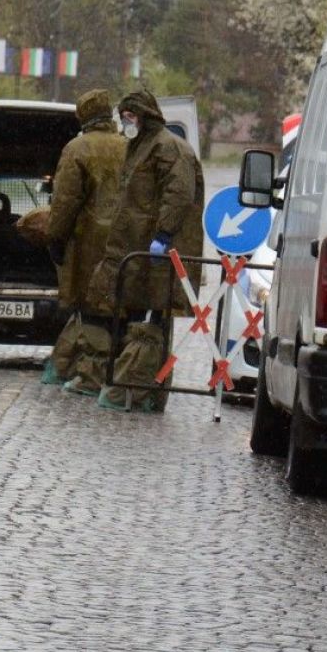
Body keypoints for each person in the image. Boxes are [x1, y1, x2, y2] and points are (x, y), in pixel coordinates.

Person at [87, 87, 205, 413]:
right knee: (141, 317)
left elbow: (178, 193)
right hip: (139, 252)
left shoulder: (168, 148)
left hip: (160, 253)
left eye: (130, 117)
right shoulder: (141, 147)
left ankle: (138, 388)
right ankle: (142, 389)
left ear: (142, 115)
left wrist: (164, 233)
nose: (126, 122)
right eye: (123, 117)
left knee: (154, 320)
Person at [39, 88, 128, 394]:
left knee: (91, 309)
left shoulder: (77, 149)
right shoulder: (130, 147)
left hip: (89, 242)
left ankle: (92, 376)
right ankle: (119, 373)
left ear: (84, 117)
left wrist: (55, 238)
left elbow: (64, 202)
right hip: (126, 243)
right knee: (119, 309)